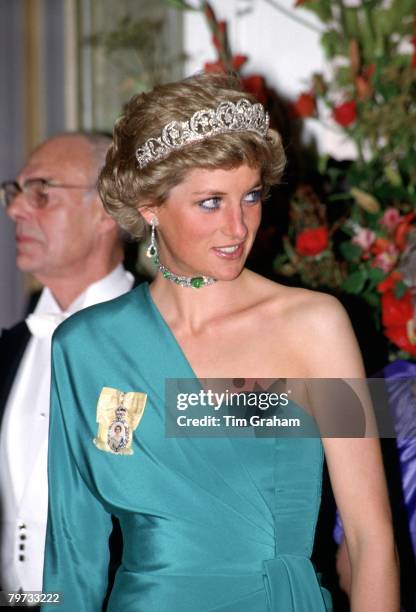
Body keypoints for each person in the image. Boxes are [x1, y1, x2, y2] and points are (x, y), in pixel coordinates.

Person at [42, 74, 399, 611]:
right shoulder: (84, 346)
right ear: (148, 205)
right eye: (211, 202)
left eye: (251, 196)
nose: (239, 227)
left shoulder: (316, 326)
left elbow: (372, 542)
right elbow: (71, 554)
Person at [0, 133, 135, 595]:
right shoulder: (8, 350)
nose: (15, 210)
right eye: (15, 194)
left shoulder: (170, 337)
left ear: (104, 211)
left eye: (40, 192)